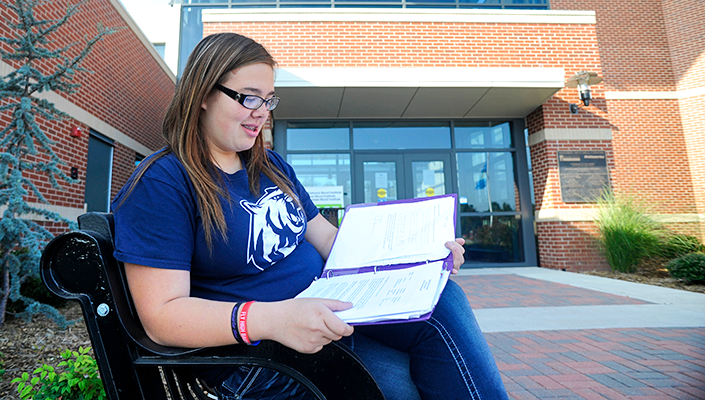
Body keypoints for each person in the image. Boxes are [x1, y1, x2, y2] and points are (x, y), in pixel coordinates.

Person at [111, 32, 508, 400]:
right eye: (248, 97)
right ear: (202, 93)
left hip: (322, 321)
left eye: (268, 100)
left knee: (441, 298)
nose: (261, 113)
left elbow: (331, 240)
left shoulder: (269, 167)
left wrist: (419, 258)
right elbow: (161, 316)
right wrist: (273, 319)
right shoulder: (163, 182)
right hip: (263, 356)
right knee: (403, 384)